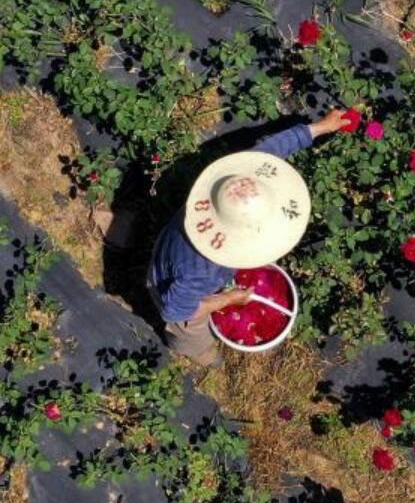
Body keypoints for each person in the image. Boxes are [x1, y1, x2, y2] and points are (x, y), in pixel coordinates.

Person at [148, 109, 350, 366]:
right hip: (169, 286)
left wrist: (321, 127)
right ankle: (195, 352)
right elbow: (174, 310)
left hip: (171, 246)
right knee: (190, 333)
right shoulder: (203, 270)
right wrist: (229, 299)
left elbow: (271, 150)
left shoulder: (232, 184)